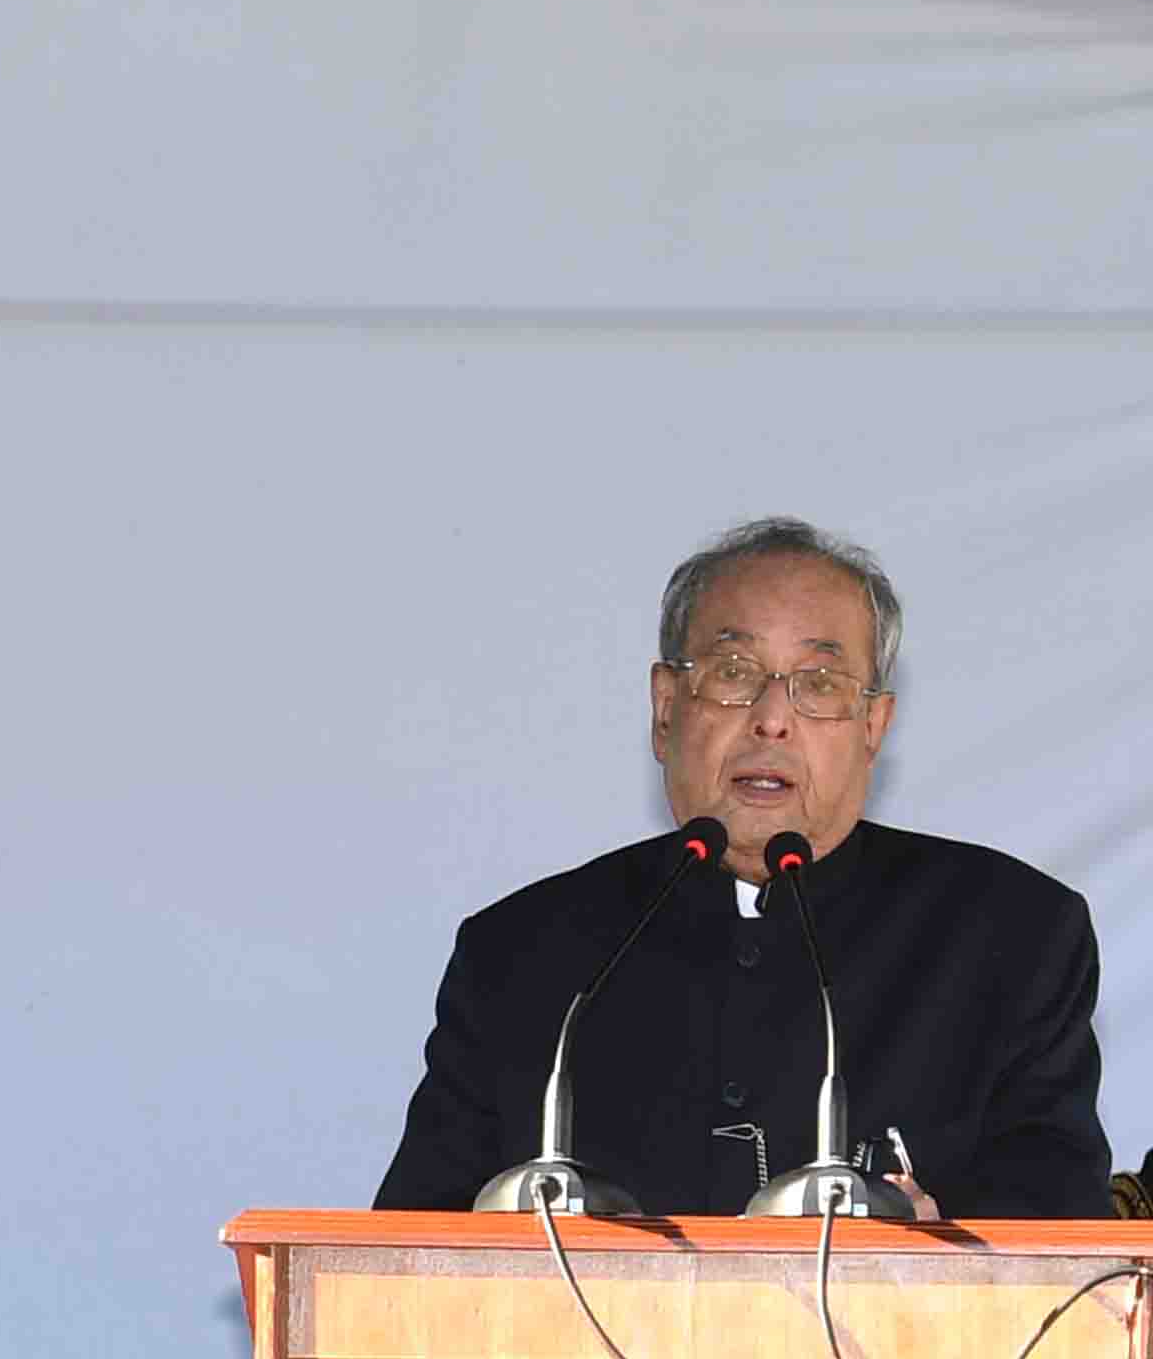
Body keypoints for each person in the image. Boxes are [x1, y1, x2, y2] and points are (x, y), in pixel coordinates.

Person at [378, 519, 1108, 1219]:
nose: (771, 718)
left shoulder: (1010, 936)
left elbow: (1062, 1245)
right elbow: (394, 1263)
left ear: (873, 728)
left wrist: (941, 1250)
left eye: (819, 684)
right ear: (665, 710)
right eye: (733, 673)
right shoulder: (521, 955)